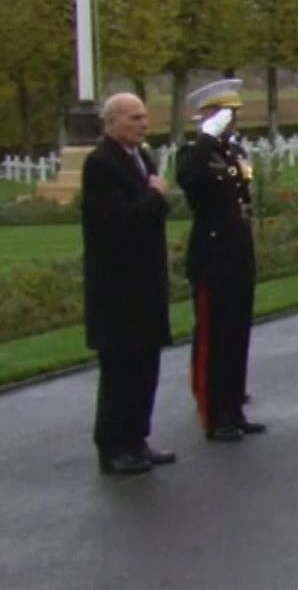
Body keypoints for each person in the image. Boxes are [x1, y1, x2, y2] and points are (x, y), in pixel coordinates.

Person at [82, 92, 177, 475]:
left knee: (145, 364)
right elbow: (116, 222)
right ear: (112, 122)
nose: (143, 124)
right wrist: (155, 196)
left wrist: (155, 199)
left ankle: (137, 438)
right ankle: (113, 445)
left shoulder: (142, 157)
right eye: (134, 118)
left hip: (146, 282)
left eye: (144, 117)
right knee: (120, 368)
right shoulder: (101, 164)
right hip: (117, 286)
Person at [176, 79, 267, 442]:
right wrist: (206, 138)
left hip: (237, 254)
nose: (233, 121)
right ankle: (214, 415)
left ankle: (233, 408)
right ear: (208, 115)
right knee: (214, 339)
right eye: (227, 114)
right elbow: (190, 179)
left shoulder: (231, 153)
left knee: (236, 336)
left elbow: (241, 196)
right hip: (212, 257)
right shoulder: (194, 153)